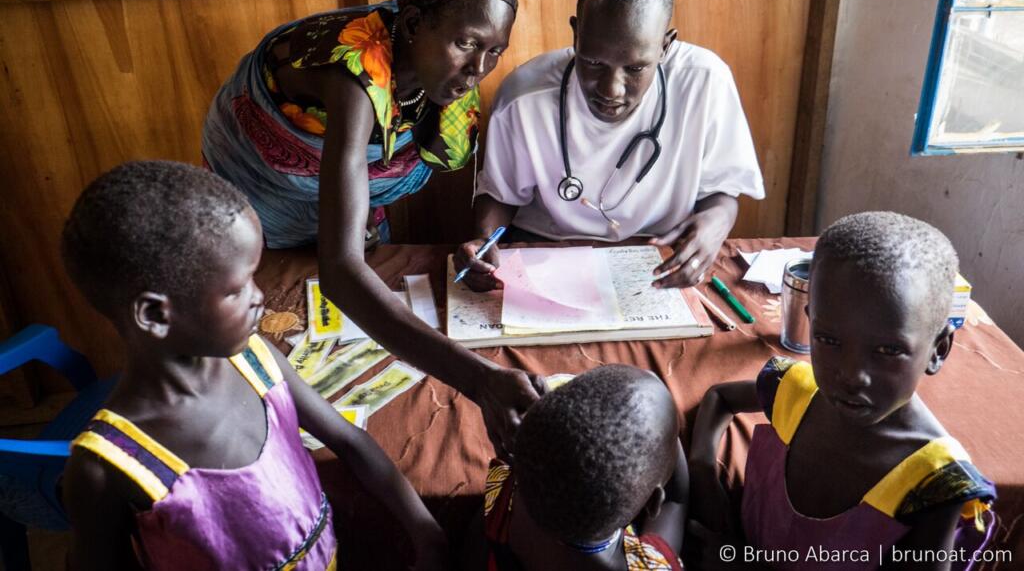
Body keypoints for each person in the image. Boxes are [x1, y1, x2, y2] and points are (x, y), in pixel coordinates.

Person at [202, 0, 541, 455]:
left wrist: (472, 243)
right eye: (467, 44)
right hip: (260, 185)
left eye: (494, 52)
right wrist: (480, 380)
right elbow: (340, 273)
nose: (480, 69)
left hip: (332, 186)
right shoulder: (355, 77)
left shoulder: (436, 64)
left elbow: (409, 151)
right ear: (410, 26)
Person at [59, 161, 447, 570]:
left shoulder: (259, 363)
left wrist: (425, 530)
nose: (260, 296)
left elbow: (350, 442)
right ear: (155, 315)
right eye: (237, 288)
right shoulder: (106, 466)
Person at [688, 212, 997, 570]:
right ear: (810, 318)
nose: (851, 375)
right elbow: (719, 398)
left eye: (887, 350)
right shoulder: (798, 394)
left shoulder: (932, 482)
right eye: (829, 339)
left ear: (938, 348)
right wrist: (702, 469)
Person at [455, 0, 763, 292]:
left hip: (657, 256)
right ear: (575, 35)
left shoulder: (704, 82)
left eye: (634, 69)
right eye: (593, 62)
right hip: (548, 250)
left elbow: (723, 190)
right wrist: (484, 243)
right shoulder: (523, 97)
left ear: (665, 46)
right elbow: (501, 194)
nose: (610, 89)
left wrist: (713, 224)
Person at [462, 365, 688, 570]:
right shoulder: (652, 565)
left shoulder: (504, 491)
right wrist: (667, 439)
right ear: (652, 501)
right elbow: (676, 501)